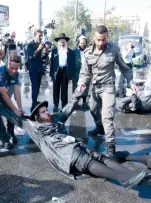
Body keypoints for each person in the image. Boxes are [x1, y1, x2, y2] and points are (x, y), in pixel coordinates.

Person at [0, 86, 149, 189]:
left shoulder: (56, 119)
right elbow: (11, 116)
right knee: (87, 160)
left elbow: (68, 108)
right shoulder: (33, 127)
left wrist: (77, 93)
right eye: (44, 112)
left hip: (77, 146)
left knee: (100, 157)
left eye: (47, 110)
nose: (48, 112)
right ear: (36, 117)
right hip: (66, 154)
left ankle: (131, 174)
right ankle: (125, 177)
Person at [77, 25, 137, 158]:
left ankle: (111, 149)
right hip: (95, 88)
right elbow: (85, 73)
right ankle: (99, 128)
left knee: (107, 117)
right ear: (94, 37)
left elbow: (124, 67)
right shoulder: (87, 52)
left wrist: (131, 83)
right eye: (98, 40)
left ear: (107, 37)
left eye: (103, 40)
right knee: (92, 109)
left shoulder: (114, 49)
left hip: (108, 88)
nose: (101, 43)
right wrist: (81, 84)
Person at [50, 33, 75, 112]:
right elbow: (51, 63)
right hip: (56, 72)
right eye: (60, 42)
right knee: (55, 89)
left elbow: (72, 64)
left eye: (63, 42)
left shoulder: (70, 52)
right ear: (58, 43)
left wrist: (71, 75)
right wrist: (51, 75)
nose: (62, 43)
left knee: (64, 89)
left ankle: (64, 105)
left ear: (66, 42)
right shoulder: (54, 51)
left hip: (65, 71)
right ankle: (55, 105)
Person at [27, 29, 44, 111]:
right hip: (33, 69)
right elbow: (30, 57)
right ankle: (33, 105)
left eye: (41, 36)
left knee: (37, 88)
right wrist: (38, 49)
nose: (41, 37)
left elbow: (41, 57)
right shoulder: (30, 45)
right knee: (34, 87)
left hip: (39, 68)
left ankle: (35, 102)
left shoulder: (40, 44)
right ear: (35, 35)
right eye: (39, 36)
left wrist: (45, 53)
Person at [73, 35, 89, 110]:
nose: (83, 44)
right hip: (76, 72)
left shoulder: (89, 51)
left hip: (86, 72)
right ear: (78, 43)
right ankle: (75, 103)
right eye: (81, 43)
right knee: (76, 88)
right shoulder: (74, 51)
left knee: (85, 88)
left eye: (84, 43)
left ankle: (84, 103)